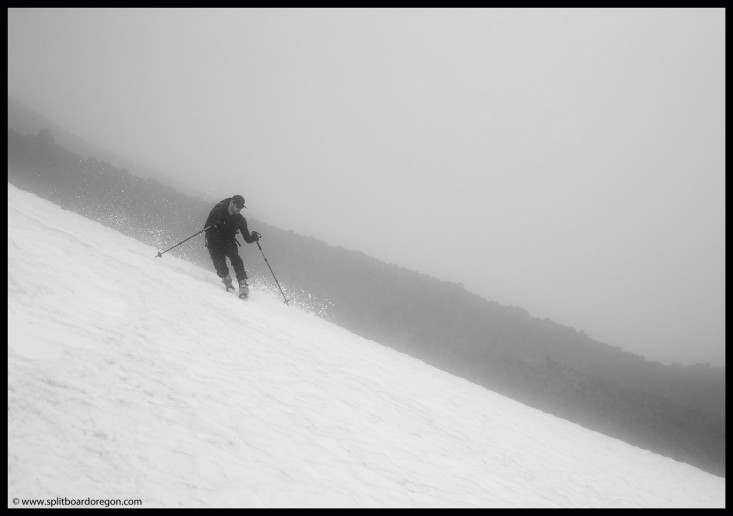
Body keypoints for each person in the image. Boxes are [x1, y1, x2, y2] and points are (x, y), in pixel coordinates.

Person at [204, 195, 261, 298]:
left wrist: (254, 237)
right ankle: (228, 284)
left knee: (236, 260)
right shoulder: (218, 211)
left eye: (241, 207)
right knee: (219, 264)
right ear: (232, 203)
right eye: (238, 206)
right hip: (214, 241)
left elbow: (247, 238)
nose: (239, 209)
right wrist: (215, 226)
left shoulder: (240, 220)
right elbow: (206, 227)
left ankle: (243, 286)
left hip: (228, 241)